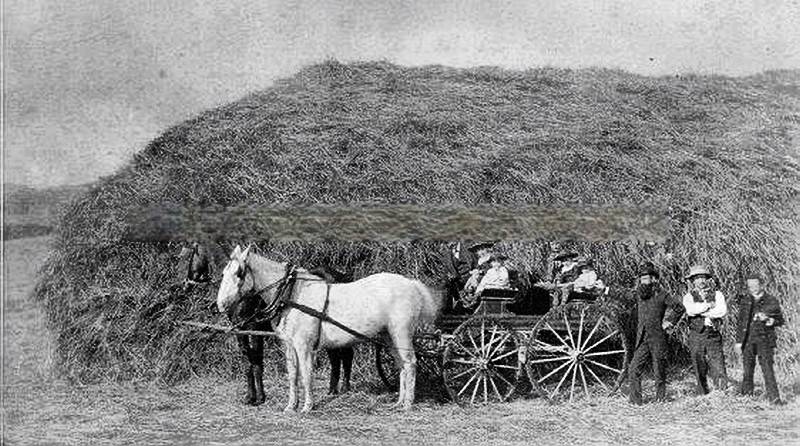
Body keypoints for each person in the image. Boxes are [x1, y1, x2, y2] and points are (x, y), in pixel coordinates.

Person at [628, 262, 683, 404]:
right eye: (642, 278)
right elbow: (623, 295)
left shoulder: (662, 294)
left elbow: (679, 308)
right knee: (633, 368)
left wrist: (669, 322)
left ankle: (660, 399)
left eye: (646, 278)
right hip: (642, 338)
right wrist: (606, 289)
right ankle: (635, 401)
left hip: (658, 337)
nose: (643, 281)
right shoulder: (639, 294)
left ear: (654, 279)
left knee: (659, 369)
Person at [735, 274, 785, 404]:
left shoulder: (771, 300)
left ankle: (774, 399)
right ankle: (747, 397)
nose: (753, 288)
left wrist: (769, 319)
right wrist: (738, 342)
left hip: (765, 340)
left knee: (768, 369)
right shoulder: (745, 300)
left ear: (761, 284)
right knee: (747, 369)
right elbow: (740, 322)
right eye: (750, 286)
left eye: (755, 285)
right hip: (748, 340)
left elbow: (780, 320)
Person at [682, 265, 729, 395]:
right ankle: (702, 392)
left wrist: (701, 311)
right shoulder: (688, 297)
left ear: (707, 279)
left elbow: (721, 311)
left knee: (718, 362)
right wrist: (708, 306)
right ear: (693, 281)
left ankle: (721, 393)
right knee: (699, 363)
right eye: (697, 278)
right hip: (696, 333)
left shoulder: (717, 294)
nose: (701, 281)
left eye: (703, 277)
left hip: (713, 333)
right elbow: (690, 311)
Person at [441, 241, 478, 312]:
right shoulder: (446, 251)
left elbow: (476, 265)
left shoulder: (469, 248)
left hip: (468, 279)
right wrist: (450, 275)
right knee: (446, 285)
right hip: (454, 281)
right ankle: (448, 310)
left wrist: (474, 276)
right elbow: (447, 268)